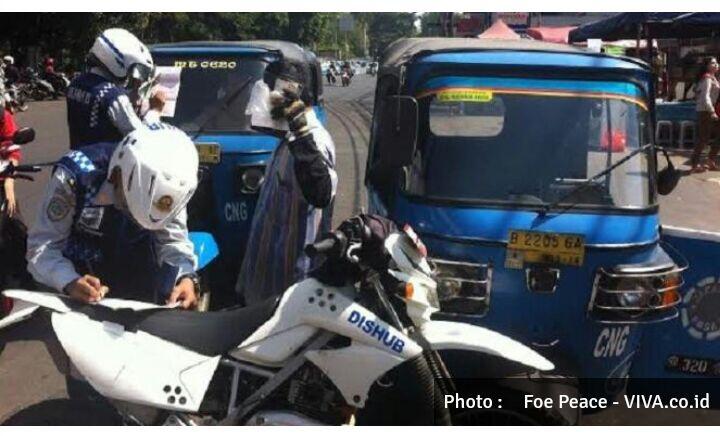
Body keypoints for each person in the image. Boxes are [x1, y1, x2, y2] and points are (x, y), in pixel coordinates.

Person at [27, 125, 200, 307]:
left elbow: (172, 241)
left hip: (138, 282)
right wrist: (69, 281)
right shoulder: (76, 175)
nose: (133, 219)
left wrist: (186, 276)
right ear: (117, 174)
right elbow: (42, 247)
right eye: (127, 205)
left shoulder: (174, 182)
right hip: (77, 285)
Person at [236, 60, 337, 305]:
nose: (253, 109)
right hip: (267, 283)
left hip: (291, 289)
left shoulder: (312, 141)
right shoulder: (288, 139)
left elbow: (321, 193)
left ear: (285, 97)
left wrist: (302, 136)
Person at [66, 28, 154, 150]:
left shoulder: (76, 83)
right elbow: (140, 136)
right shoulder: (113, 96)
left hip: (77, 159)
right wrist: (155, 111)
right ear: (117, 62)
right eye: (130, 68)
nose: (130, 75)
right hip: (104, 164)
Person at [691, 57, 720, 173]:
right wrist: (711, 111)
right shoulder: (707, 78)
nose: (716, 64)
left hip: (711, 110)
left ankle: (710, 160)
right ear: (707, 66)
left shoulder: (713, 78)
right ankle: (695, 163)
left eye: (716, 62)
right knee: (703, 138)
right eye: (713, 63)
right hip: (705, 111)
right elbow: (705, 96)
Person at [0, 107, 21, 217]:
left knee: (17, 228)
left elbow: (12, 151)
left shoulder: (3, 115)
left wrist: (9, 182)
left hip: (1, 183)